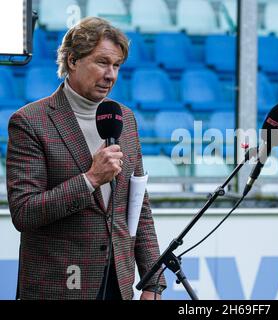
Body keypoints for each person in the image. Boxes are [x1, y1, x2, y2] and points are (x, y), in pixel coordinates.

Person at [6, 17, 166, 300]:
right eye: (102, 62)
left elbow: (139, 206)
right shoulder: (30, 121)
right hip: (58, 286)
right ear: (72, 61)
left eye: (116, 65)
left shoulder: (124, 119)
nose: (111, 75)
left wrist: (153, 282)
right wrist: (90, 179)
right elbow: (25, 212)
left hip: (118, 283)